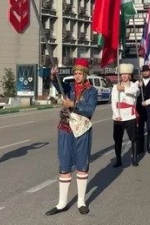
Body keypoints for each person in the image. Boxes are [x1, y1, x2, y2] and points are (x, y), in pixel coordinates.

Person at [46, 58, 98, 216]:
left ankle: (81, 201)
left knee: (82, 166)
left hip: (82, 131)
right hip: (65, 129)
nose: (77, 76)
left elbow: (89, 110)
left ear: (85, 74)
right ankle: (62, 203)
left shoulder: (91, 91)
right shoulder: (68, 88)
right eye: (75, 73)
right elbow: (57, 85)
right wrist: (54, 76)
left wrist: (73, 105)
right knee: (64, 165)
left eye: (80, 73)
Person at [111, 63, 140, 168]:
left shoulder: (133, 85)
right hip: (118, 117)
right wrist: (116, 114)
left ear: (129, 75)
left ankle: (134, 159)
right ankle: (118, 160)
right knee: (117, 140)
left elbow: (136, 92)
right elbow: (113, 102)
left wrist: (123, 89)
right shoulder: (115, 87)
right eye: (122, 74)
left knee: (133, 139)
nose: (124, 76)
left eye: (126, 74)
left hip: (130, 116)